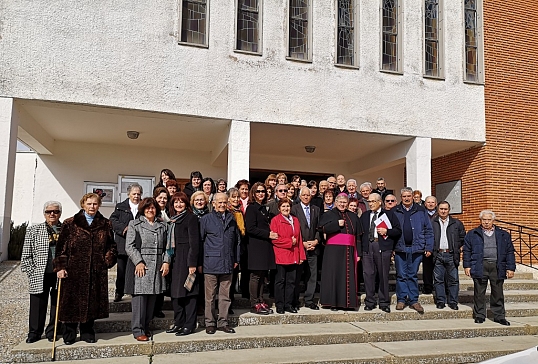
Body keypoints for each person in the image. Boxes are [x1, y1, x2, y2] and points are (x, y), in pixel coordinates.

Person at [54, 193, 117, 345]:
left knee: (91, 302)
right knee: (70, 303)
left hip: (95, 271)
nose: (92, 207)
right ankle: (69, 333)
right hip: (73, 270)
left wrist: (106, 261)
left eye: (95, 204)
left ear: (99, 205)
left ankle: (87, 332)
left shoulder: (105, 224)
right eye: (89, 204)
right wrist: (60, 267)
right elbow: (61, 248)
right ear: (83, 204)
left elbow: (111, 246)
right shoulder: (70, 223)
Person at [125, 197, 169, 341]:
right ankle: (138, 329)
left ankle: (146, 325)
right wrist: (138, 262)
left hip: (157, 266)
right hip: (142, 266)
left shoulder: (163, 226)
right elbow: (129, 246)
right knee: (140, 300)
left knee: (152, 300)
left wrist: (166, 262)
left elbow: (168, 247)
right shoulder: (135, 224)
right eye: (147, 208)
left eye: (153, 208)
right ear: (143, 209)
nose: (150, 210)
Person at [21, 201, 64, 343]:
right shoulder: (34, 230)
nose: (52, 214)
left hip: (59, 273)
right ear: (44, 213)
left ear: (60, 213)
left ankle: (53, 331)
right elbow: (26, 255)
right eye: (49, 212)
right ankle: (34, 332)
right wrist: (32, 271)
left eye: (55, 211)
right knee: (37, 305)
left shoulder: (66, 230)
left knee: (57, 304)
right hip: (39, 273)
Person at [463, 210, 515, 325]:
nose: (486, 222)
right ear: (480, 220)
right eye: (484, 220)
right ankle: (480, 315)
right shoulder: (472, 234)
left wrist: (510, 268)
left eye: (489, 220)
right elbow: (466, 251)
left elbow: (510, 251)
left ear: (493, 220)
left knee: (497, 292)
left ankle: (499, 316)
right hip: (480, 265)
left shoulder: (503, 234)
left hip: (497, 265)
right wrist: (467, 265)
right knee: (479, 292)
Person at [200, 193, 240, 334]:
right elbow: (200, 242)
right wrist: (199, 262)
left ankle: (223, 322)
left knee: (225, 296)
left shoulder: (232, 219)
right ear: (214, 204)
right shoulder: (206, 219)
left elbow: (237, 241)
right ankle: (210, 323)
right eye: (220, 202)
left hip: (228, 263)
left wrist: (236, 259)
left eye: (224, 202)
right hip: (211, 263)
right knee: (210, 297)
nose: (222, 205)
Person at [393, 187, 434, 314]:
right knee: (401, 275)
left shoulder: (421, 211)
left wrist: (428, 247)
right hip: (400, 249)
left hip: (416, 248)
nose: (406, 198)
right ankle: (401, 299)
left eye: (408, 196)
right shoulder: (395, 211)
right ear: (401, 197)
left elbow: (428, 230)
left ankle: (413, 300)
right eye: (404, 196)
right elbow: (390, 231)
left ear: (412, 197)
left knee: (412, 275)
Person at [319, 193, 362, 311]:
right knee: (334, 276)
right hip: (333, 251)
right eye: (340, 202)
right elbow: (322, 229)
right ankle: (333, 303)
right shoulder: (329, 214)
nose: (342, 205)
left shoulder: (353, 216)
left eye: (344, 203)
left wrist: (359, 253)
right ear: (336, 202)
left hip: (349, 250)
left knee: (347, 276)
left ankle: (348, 303)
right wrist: (336, 224)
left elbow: (358, 236)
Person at [165, 192, 201, 336]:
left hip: (186, 259)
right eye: (175, 202)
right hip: (175, 259)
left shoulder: (191, 218)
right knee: (176, 294)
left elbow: (195, 243)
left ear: (186, 203)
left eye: (181, 202)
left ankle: (189, 324)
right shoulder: (172, 220)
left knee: (189, 293)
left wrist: (192, 263)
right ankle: (178, 322)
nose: (178, 205)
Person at [360, 193, 401, 313]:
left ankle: (383, 302)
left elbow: (398, 230)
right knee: (368, 274)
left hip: (382, 246)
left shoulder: (388, 214)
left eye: (373, 201)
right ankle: (370, 302)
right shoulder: (365, 215)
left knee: (383, 275)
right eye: (369, 202)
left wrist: (386, 231)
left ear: (379, 202)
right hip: (368, 247)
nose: (370, 204)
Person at [245, 182, 277, 315]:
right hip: (255, 246)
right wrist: (268, 234)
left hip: (265, 246)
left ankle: (261, 300)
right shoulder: (252, 208)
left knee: (263, 275)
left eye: (263, 191)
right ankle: (254, 303)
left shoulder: (264, 208)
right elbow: (250, 228)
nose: (260, 194)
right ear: (253, 193)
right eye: (258, 191)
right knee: (255, 276)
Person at [270, 198, 305, 314]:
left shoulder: (295, 220)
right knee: (280, 281)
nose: (286, 208)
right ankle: (280, 305)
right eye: (283, 206)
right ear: (279, 208)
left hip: (293, 255)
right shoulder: (275, 220)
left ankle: (288, 304)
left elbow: (299, 239)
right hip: (281, 255)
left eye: (288, 206)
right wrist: (289, 242)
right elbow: (275, 240)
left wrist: (301, 255)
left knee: (291, 281)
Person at [110, 183, 143, 303]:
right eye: (134, 194)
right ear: (128, 194)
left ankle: (135, 291)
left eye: (138, 194)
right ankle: (119, 292)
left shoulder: (144, 206)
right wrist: (124, 228)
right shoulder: (120, 206)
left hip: (138, 244)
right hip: (123, 244)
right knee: (121, 270)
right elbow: (112, 221)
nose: (136, 196)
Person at [432, 201, 466, 310]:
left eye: (445, 209)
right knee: (438, 279)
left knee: (453, 280)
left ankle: (453, 301)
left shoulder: (456, 223)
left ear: (449, 210)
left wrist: (456, 247)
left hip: (451, 254)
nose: (443, 211)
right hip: (438, 254)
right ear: (438, 209)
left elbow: (462, 237)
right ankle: (441, 301)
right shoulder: (432, 222)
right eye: (441, 209)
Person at [291, 187, 321, 310]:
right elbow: (293, 228)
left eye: (308, 195)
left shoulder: (316, 209)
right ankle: (295, 300)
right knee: (297, 275)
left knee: (312, 275)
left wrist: (316, 240)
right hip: (300, 247)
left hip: (313, 247)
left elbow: (319, 227)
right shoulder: (294, 209)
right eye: (303, 195)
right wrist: (302, 242)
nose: (306, 197)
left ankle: (309, 300)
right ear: (300, 196)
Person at [227, 187, 248, 302]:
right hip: (229, 247)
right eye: (233, 197)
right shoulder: (227, 211)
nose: (236, 199)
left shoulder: (240, 211)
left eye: (237, 197)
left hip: (239, 246)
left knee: (234, 276)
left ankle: (231, 300)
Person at [152, 187, 169, 318]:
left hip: (166, 250)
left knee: (162, 282)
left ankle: (158, 308)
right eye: (160, 198)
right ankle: (152, 309)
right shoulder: (151, 211)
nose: (162, 200)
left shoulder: (169, 211)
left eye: (165, 198)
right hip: (153, 251)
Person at [422, 196, 438, 295]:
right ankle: (428, 287)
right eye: (428, 202)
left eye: (432, 202)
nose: (430, 204)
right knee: (427, 268)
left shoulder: (440, 214)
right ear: (425, 204)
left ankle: (439, 287)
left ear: (436, 204)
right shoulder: (421, 214)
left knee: (438, 268)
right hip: (426, 245)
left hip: (438, 245)